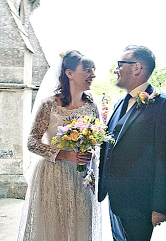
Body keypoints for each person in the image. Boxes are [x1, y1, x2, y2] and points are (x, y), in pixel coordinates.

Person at [16, 50, 102, 241]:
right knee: (52, 229)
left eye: (94, 70)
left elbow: (99, 141)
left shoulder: (91, 105)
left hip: (82, 178)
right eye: (87, 69)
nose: (93, 74)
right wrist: (65, 154)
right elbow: (32, 142)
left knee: (81, 227)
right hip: (52, 175)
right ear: (69, 73)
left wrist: (91, 153)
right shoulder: (49, 105)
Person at [98, 45, 166, 241]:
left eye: (120, 64)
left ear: (137, 68)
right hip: (115, 200)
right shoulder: (120, 102)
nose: (115, 69)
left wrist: (160, 207)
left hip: (139, 204)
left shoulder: (163, 104)